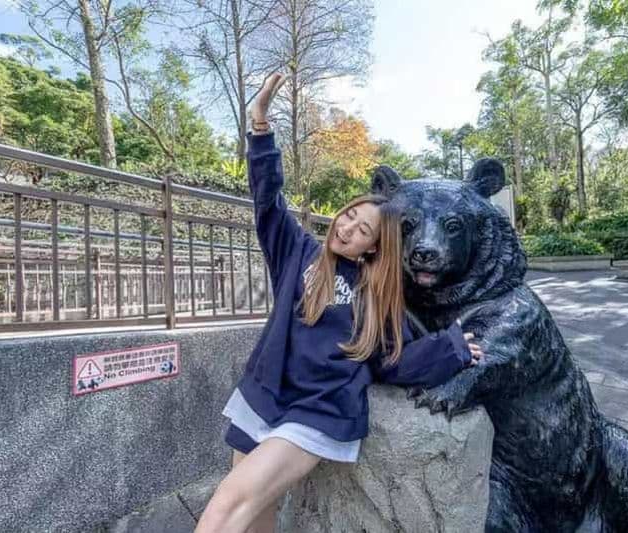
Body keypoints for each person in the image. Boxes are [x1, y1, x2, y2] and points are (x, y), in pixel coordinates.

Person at [194, 73, 483, 533]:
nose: (347, 228)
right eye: (349, 215)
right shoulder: (299, 251)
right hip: (264, 394)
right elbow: (268, 202)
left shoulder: (376, 293)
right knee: (254, 516)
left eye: (362, 230)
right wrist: (261, 127)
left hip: (317, 412)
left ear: (372, 247)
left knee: (227, 504)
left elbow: (395, 359)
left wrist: (453, 349)